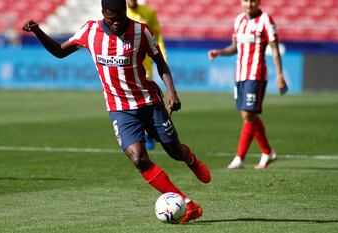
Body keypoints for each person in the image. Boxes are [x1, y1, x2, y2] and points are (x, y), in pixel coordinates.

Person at [22, 0, 210, 223]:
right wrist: (38, 31)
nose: (118, 22)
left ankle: (188, 158)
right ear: (103, 14)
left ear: (125, 11)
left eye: (121, 16)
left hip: (149, 102)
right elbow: (60, 52)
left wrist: (172, 92)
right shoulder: (90, 31)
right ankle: (187, 204)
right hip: (120, 109)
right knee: (139, 159)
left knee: (173, 151)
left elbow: (160, 63)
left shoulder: (141, 31)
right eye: (112, 19)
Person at [208, 0, 288, 169]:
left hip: (256, 75)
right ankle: (267, 152)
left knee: (248, 115)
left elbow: (274, 48)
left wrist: (280, 75)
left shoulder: (266, 20)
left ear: (259, 2)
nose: (249, 4)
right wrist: (219, 52)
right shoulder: (239, 20)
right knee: (247, 115)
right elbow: (235, 47)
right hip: (240, 75)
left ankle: (239, 157)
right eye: (246, 0)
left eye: (253, 1)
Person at [127, 0, 168, 150]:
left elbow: (157, 35)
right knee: (131, 99)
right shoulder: (122, 13)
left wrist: (162, 56)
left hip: (145, 63)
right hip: (128, 63)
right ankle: (139, 133)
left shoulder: (149, 12)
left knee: (146, 97)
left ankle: (149, 134)